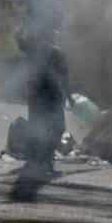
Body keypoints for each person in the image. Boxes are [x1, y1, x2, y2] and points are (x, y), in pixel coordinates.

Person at [20, 30, 71, 174]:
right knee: (57, 128)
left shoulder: (35, 53)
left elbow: (29, 75)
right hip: (52, 97)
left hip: (36, 97)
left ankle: (38, 161)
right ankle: (45, 160)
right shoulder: (57, 53)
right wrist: (70, 97)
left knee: (37, 128)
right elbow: (64, 77)